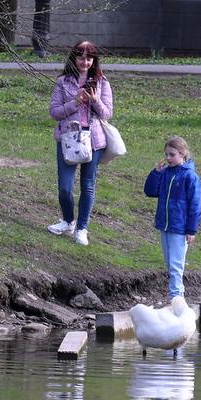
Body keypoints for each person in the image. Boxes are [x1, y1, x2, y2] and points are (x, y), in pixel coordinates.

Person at [48, 41, 113, 246]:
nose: (85, 61)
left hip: (94, 141)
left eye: (89, 58)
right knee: (65, 188)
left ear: (94, 60)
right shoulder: (63, 82)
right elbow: (54, 112)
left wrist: (94, 100)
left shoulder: (102, 82)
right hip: (69, 139)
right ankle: (68, 221)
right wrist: (75, 103)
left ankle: (82, 229)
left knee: (88, 186)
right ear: (74, 58)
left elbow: (107, 114)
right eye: (81, 57)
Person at [144, 136, 201, 300]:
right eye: (166, 154)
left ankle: (176, 297)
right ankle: (176, 297)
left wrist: (191, 229)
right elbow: (150, 191)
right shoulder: (165, 173)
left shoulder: (190, 176)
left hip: (180, 227)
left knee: (176, 265)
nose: (168, 158)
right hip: (165, 225)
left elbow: (195, 205)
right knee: (170, 264)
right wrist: (156, 172)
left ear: (182, 154)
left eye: (172, 154)